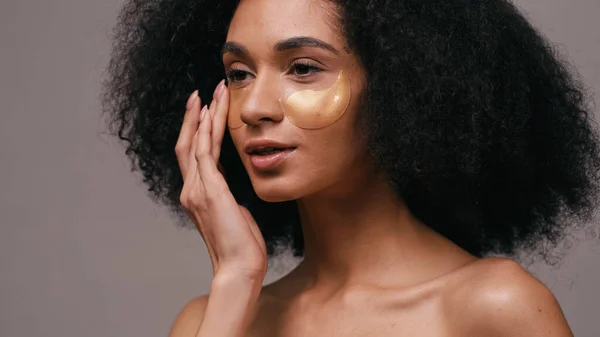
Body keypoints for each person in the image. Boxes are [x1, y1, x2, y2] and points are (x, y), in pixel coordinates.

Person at [102, 0, 600, 336]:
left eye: (303, 68)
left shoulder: (493, 308)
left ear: (400, 87)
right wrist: (234, 279)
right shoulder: (208, 321)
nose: (254, 107)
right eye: (238, 74)